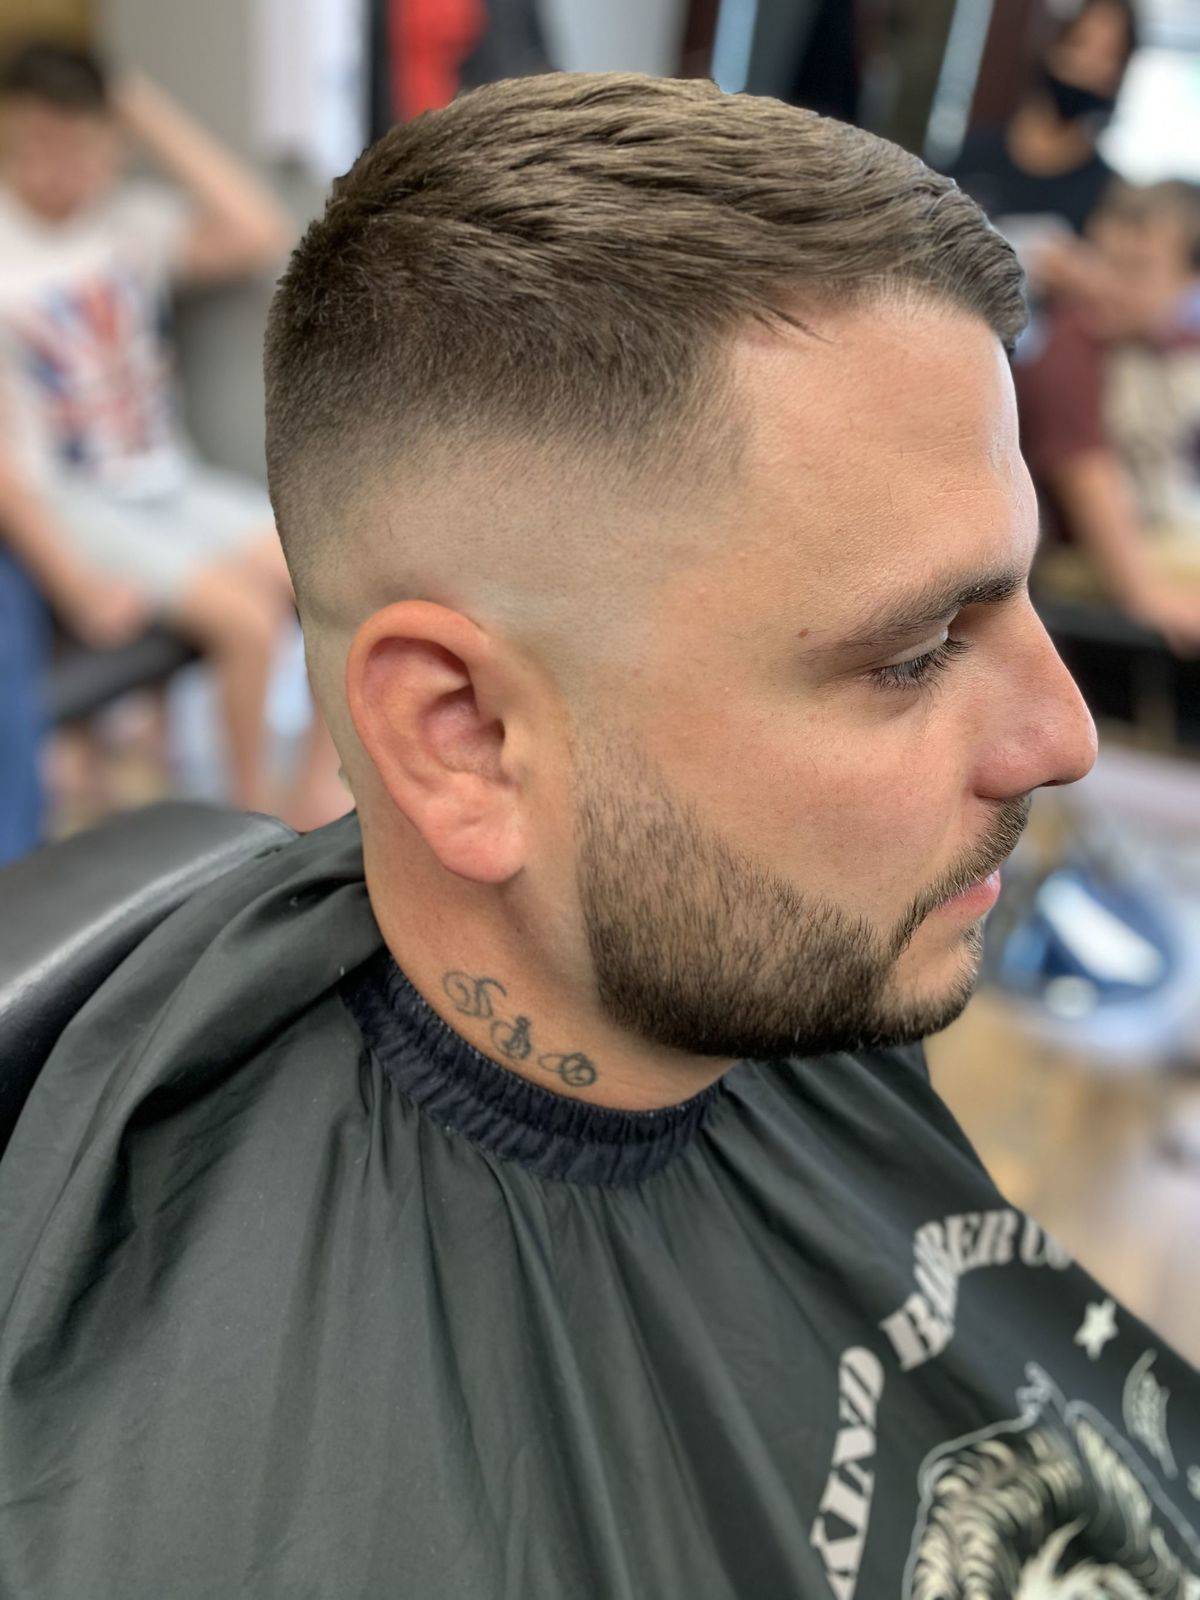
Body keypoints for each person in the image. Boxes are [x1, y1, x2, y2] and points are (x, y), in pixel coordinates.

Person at [1, 73, 1197, 1598]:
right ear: (463, 734)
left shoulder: (802, 969)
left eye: (1018, 595)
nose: (1064, 738)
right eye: (913, 654)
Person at [0, 41, 347, 835]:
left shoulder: (131, 221)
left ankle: (314, 796)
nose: (52, 167)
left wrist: (132, 100)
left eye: (74, 144)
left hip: (168, 478)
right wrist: (74, 581)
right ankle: (251, 827)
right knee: (248, 624)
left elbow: (259, 228)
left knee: (326, 574)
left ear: (108, 142)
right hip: (76, 501)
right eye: (31, 144)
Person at [1015, 179, 1200, 656]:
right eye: (1102, 259)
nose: (1106, 283)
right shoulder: (1069, 351)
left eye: (1136, 269)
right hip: (1076, 566)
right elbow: (1086, 476)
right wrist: (1150, 597)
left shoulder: (1169, 344)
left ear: (1190, 282)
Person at [948, 0, 1138, 244]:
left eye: (1107, 56)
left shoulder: (1106, 195)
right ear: (1053, 44)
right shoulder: (974, 150)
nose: (1086, 65)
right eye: (1079, 43)